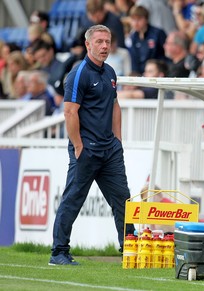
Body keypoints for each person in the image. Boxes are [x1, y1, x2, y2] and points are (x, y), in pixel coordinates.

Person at [49, 25, 135, 265]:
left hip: (110, 150)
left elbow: (115, 106)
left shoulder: (110, 72)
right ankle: (58, 253)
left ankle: (129, 248)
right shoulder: (78, 73)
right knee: (73, 199)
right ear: (88, 45)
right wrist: (78, 145)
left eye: (107, 41)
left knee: (123, 200)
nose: (104, 46)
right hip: (86, 149)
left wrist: (118, 140)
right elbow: (69, 112)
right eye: (99, 41)